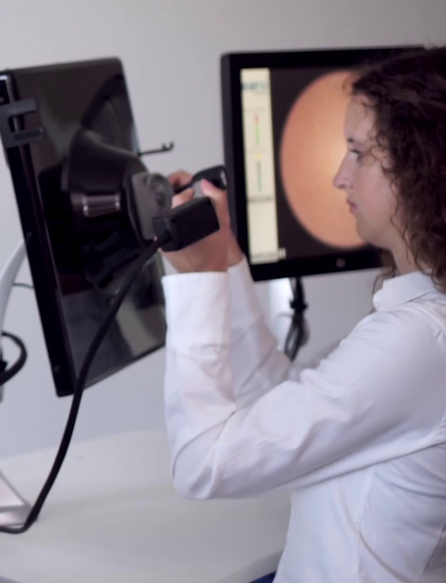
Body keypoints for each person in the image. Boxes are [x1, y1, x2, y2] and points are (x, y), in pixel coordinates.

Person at [161, 46, 446, 582]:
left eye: (358, 153)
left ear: (423, 168)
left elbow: (204, 465)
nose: (340, 176)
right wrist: (228, 261)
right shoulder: (420, 319)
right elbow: (273, 404)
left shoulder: (417, 343)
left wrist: (197, 281)